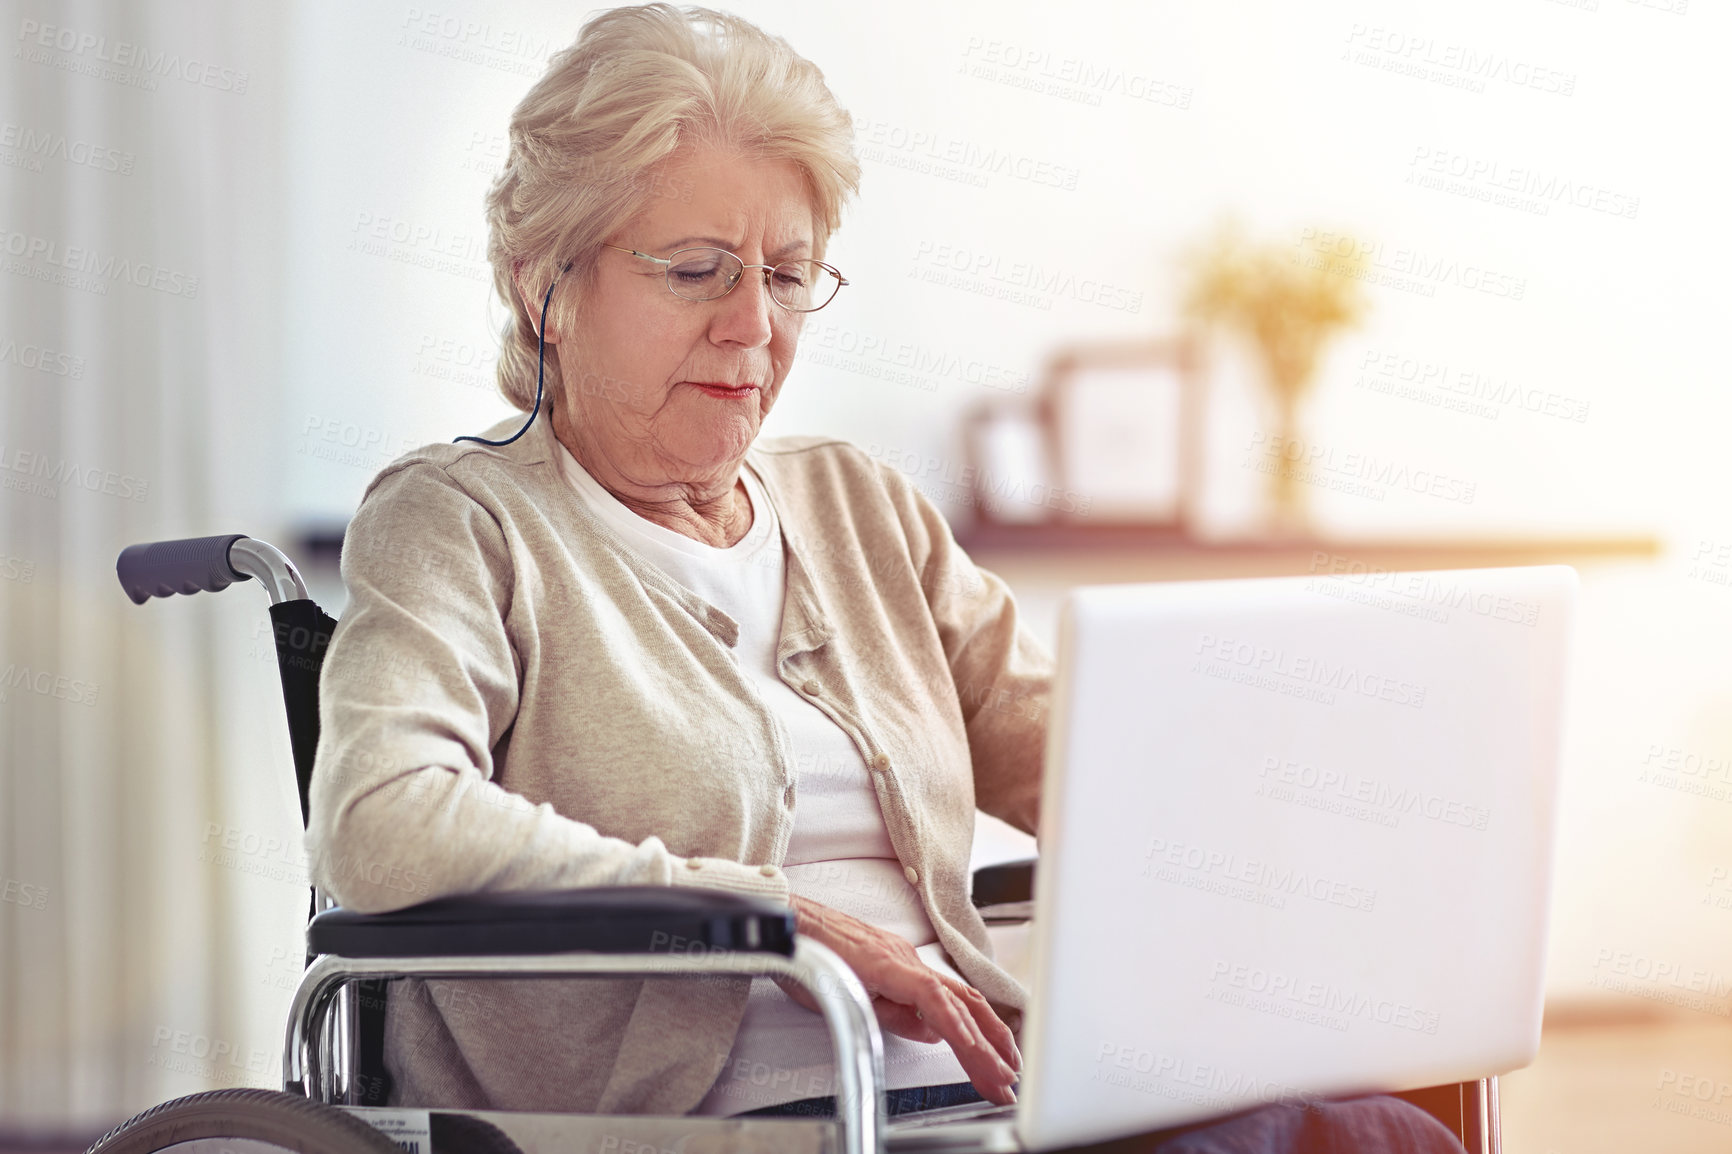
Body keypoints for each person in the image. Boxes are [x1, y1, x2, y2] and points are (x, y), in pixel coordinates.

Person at [305, 5, 1465, 1150]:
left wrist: (1311, 821)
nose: (752, 324)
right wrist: (771, 916)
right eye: (699, 271)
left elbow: (1075, 758)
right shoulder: (460, 519)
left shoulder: (860, 507)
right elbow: (383, 817)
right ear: (543, 286)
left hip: (978, 1105)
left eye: (789, 273)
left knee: (1386, 1126)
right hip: (697, 1126)